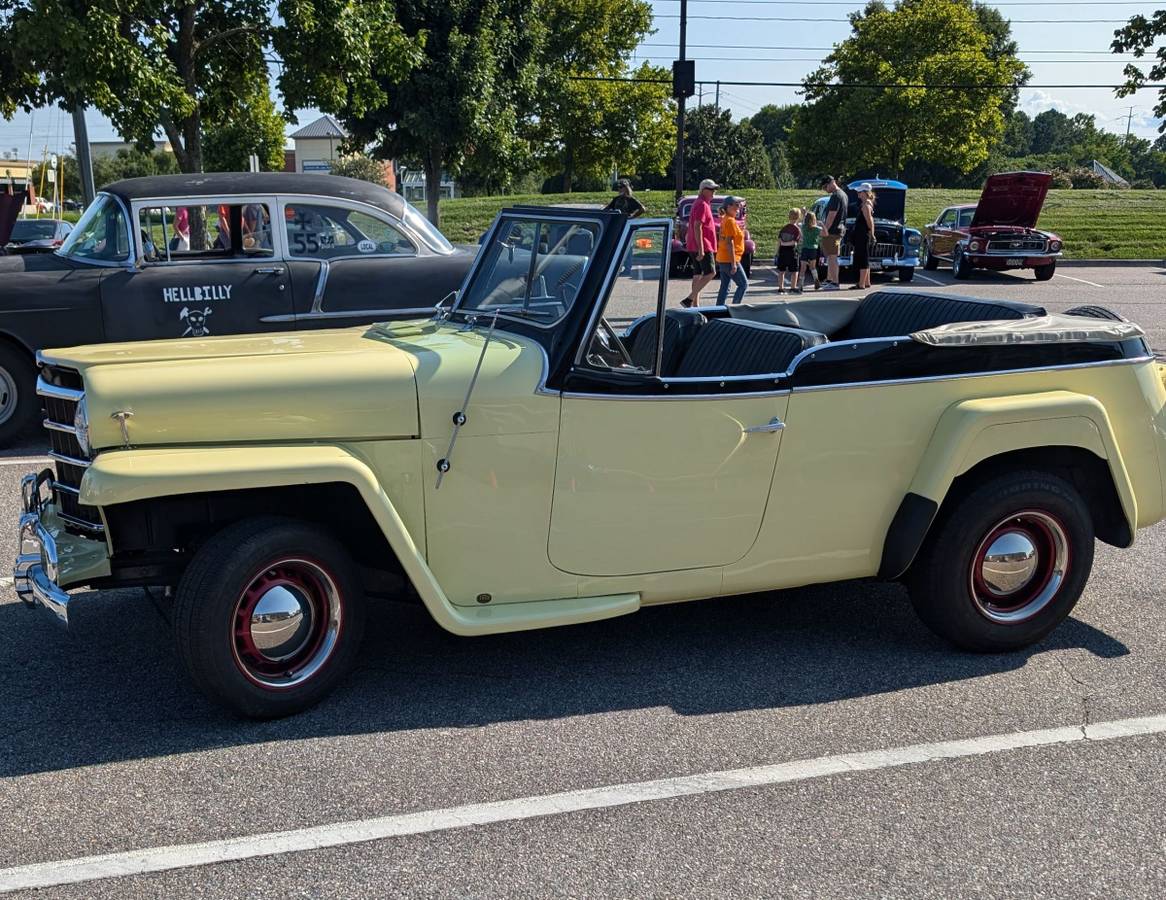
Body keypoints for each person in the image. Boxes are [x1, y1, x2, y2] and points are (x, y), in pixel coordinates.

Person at [682, 178, 718, 307]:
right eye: (711, 189)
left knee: (697, 274)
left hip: (694, 244)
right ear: (703, 190)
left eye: (715, 189)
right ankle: (689, 299)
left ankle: (695, 305)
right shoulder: (702, 204)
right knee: (710, 272)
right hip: (702, 244)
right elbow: (698, 226)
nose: (714, 192)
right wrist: (701, 249)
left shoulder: (700, 203)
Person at [606, 179, 646, 274]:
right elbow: (607, 208)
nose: (619, 189)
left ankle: (628, 268)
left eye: (621, 187)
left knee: (627, 246)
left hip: (627, 225)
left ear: (626, 188)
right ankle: (618, 266)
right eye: (619, 187)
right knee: (617, 246)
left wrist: (631, 217)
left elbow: (642, 209)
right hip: (617, 225)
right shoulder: (616, 199)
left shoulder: (630, 200)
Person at [715, 196, 749, 305]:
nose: (738, 208)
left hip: (723, 258)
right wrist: (733, 263)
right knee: (743, 284)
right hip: (729, 259)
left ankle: (718, 309)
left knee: (725, 287)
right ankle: (735, 307)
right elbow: (729, 243)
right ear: (729, 206)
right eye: (736, 205)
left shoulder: (726, 219)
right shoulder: (729, 221)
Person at [820, 175, 849, 291]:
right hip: (839, 230)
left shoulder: (836, 196)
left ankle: (835, 282)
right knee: (831, 256)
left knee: (832, 256)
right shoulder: (843, 194)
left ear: (832, 182)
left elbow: (831, 215)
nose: (825, 190)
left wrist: (824, 229)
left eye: (825, 187)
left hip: (833, 231)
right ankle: (829, 279)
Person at [851, 182, 876, 290]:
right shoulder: (867, 204)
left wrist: (871, 233)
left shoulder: (866, 205)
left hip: (862, 234)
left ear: (865, 193)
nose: (858, 193)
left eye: (860, 191)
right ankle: (866, 282)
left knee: (862, 258)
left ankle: (861, 284)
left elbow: (869, 221)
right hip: (862, 234)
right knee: (864, 257)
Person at [774, 208, 802, 294]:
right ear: (798, 217)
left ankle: (780, 288)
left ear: (789, 217)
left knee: (781, 271)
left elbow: (779, 241)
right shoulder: (797, 229)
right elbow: (795, 242)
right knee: (794, 270)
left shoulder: (784, 228)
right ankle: (793, 287)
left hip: (782, 251)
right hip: (791, 251)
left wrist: (777, 252)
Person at [798, 210, 823, 292]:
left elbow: (801, 222)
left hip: (805, 248)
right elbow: (825, 234)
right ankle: (816, 280)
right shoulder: (817, 229)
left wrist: (804, 214)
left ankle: (800, 285)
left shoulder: (804, 227)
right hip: (813, 249)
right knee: (812, 267)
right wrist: (822, 225)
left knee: (803, 268)